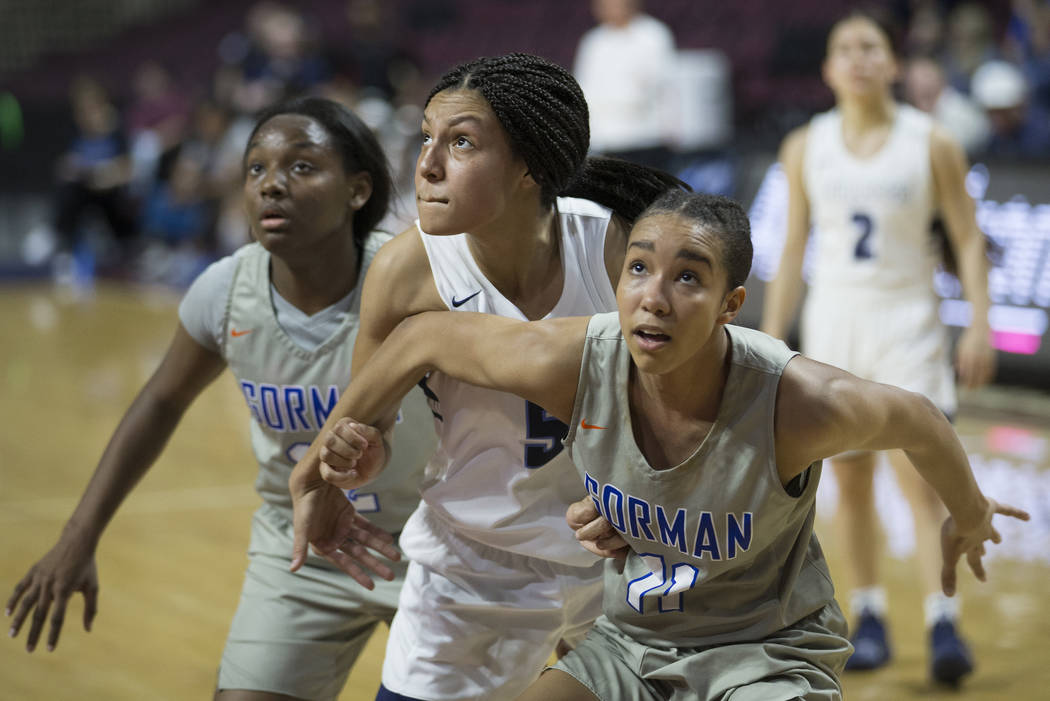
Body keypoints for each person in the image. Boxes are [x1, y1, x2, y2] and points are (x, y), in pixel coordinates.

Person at [304, 189, 1029, 701]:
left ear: (730, 305)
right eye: (640, 268)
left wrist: (966, 513)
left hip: (764, 656)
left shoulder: (797, 404)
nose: (654, 295)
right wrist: (321, 465)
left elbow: (920, 418)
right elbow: (424, 334)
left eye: (689, 277)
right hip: (633, 643)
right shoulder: (580, 359)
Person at [6, 96, 435, 701]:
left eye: (302, 167)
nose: (271, 186)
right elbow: (159, 403)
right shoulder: (225, 290)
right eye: (255, 169)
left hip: (430, 544)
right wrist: (81, 534)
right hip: (302, 548)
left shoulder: (417, 281)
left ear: (358, 191)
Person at [288, 53, 685, 700]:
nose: (427, 165)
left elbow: (684, 405)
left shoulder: (615, 250)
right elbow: (371, 427)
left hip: (612, 559)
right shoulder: (404, 271)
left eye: (461, 142)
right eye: (426, 139)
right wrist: (354, 458)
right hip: (469, 568)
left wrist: (645, 498)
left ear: (529, 165)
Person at [759, 12, 998, 685]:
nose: (859, 58)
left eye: (871, 47)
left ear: (893, 65)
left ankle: (941, 617)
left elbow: (970, 238)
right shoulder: (806, 145)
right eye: (845, 49)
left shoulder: (932, 142)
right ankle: (866, 615)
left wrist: (978, 323)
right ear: (829, 70)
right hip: (836, 320)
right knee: (851, 482)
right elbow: (794, 245)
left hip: (909, 321)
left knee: (922, 485)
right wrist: (775, 340)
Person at [573, 0, 678, 171]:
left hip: (646, 137)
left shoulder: (653, 35)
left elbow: (662, 85)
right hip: (606, 139)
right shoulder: (594, 41)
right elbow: (585, 89)